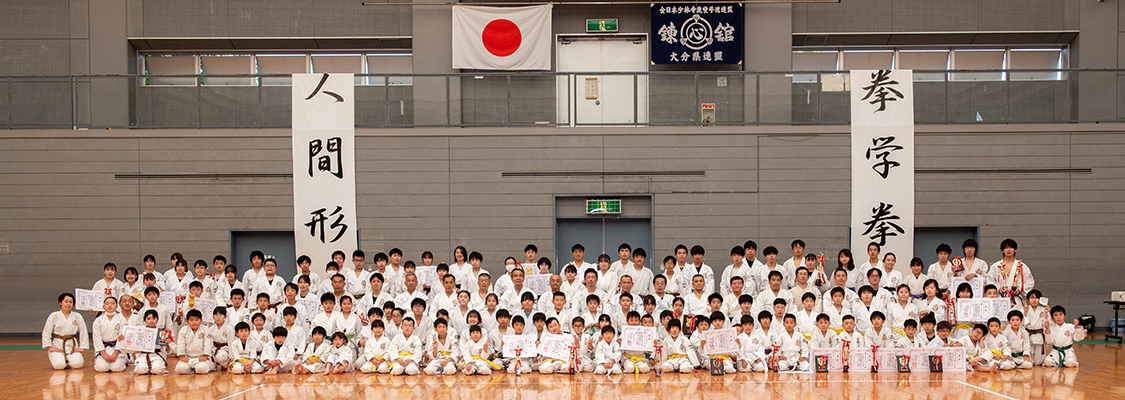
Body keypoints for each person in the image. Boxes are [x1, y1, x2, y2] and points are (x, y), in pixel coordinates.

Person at [43, 293, 87, 370]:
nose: (68, 304)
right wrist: (49, 347)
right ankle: (61, 360)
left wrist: (82, 347)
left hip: (72, 345)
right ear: (60, 302)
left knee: (78, 364)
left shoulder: (77, 316)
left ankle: (68, 361)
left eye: (71, 302)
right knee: (59, 365)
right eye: (66, 301)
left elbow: (83, 331)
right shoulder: (54, 315)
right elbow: (47, 331)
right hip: (58, 344)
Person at [991, 238, 1035, 308]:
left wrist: (1020, 288)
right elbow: (989, 281)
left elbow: (1030, 282)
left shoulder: (1022, 266)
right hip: (1000, 298)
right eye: (1006, 248)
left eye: (1011, 248)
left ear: (1015, 250)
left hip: (1016, 299)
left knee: (1016, 317)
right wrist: (998, 288)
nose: (1008, 250)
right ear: (1002, 250)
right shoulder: (996, 266)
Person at [92, 296, 127, 372]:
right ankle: (102, 358)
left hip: (117, 348)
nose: (110, 305)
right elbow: (97, 338)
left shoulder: (121, 319)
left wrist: (116, 352)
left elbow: (122, 336)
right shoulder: (98, 320)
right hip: (104, 348)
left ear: (117, 306)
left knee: (116, 368)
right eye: (107, 304)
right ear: (103, 306)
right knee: (102, 368)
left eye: (112, 303)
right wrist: (103, 353)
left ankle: (122, 359)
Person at [175, 309, 215, 374]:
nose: (194, 322)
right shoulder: (184, 330)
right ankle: (192, 369)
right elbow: (180, 344)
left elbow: (208, 343)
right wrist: (182, 356)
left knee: (201, 369)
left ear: (201, 320)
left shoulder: (206, 329)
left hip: (201, 357)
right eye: (191, 320)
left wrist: (205, 355)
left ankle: (209, 365)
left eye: (196, 320)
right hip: (188, 357)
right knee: (179, 369)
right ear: (187, 321)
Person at [133, 310, 168, 375]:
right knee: (141, 369)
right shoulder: (140, 332)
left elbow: (165, 348)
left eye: (153, 318)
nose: (151, 321)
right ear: (144, 320)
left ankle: (153, 368)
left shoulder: (162, 332)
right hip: (143, 355)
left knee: (157, 369)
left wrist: (168, 342)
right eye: (148, 319)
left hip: (156, 355)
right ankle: (145, 367)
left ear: (157, 320)